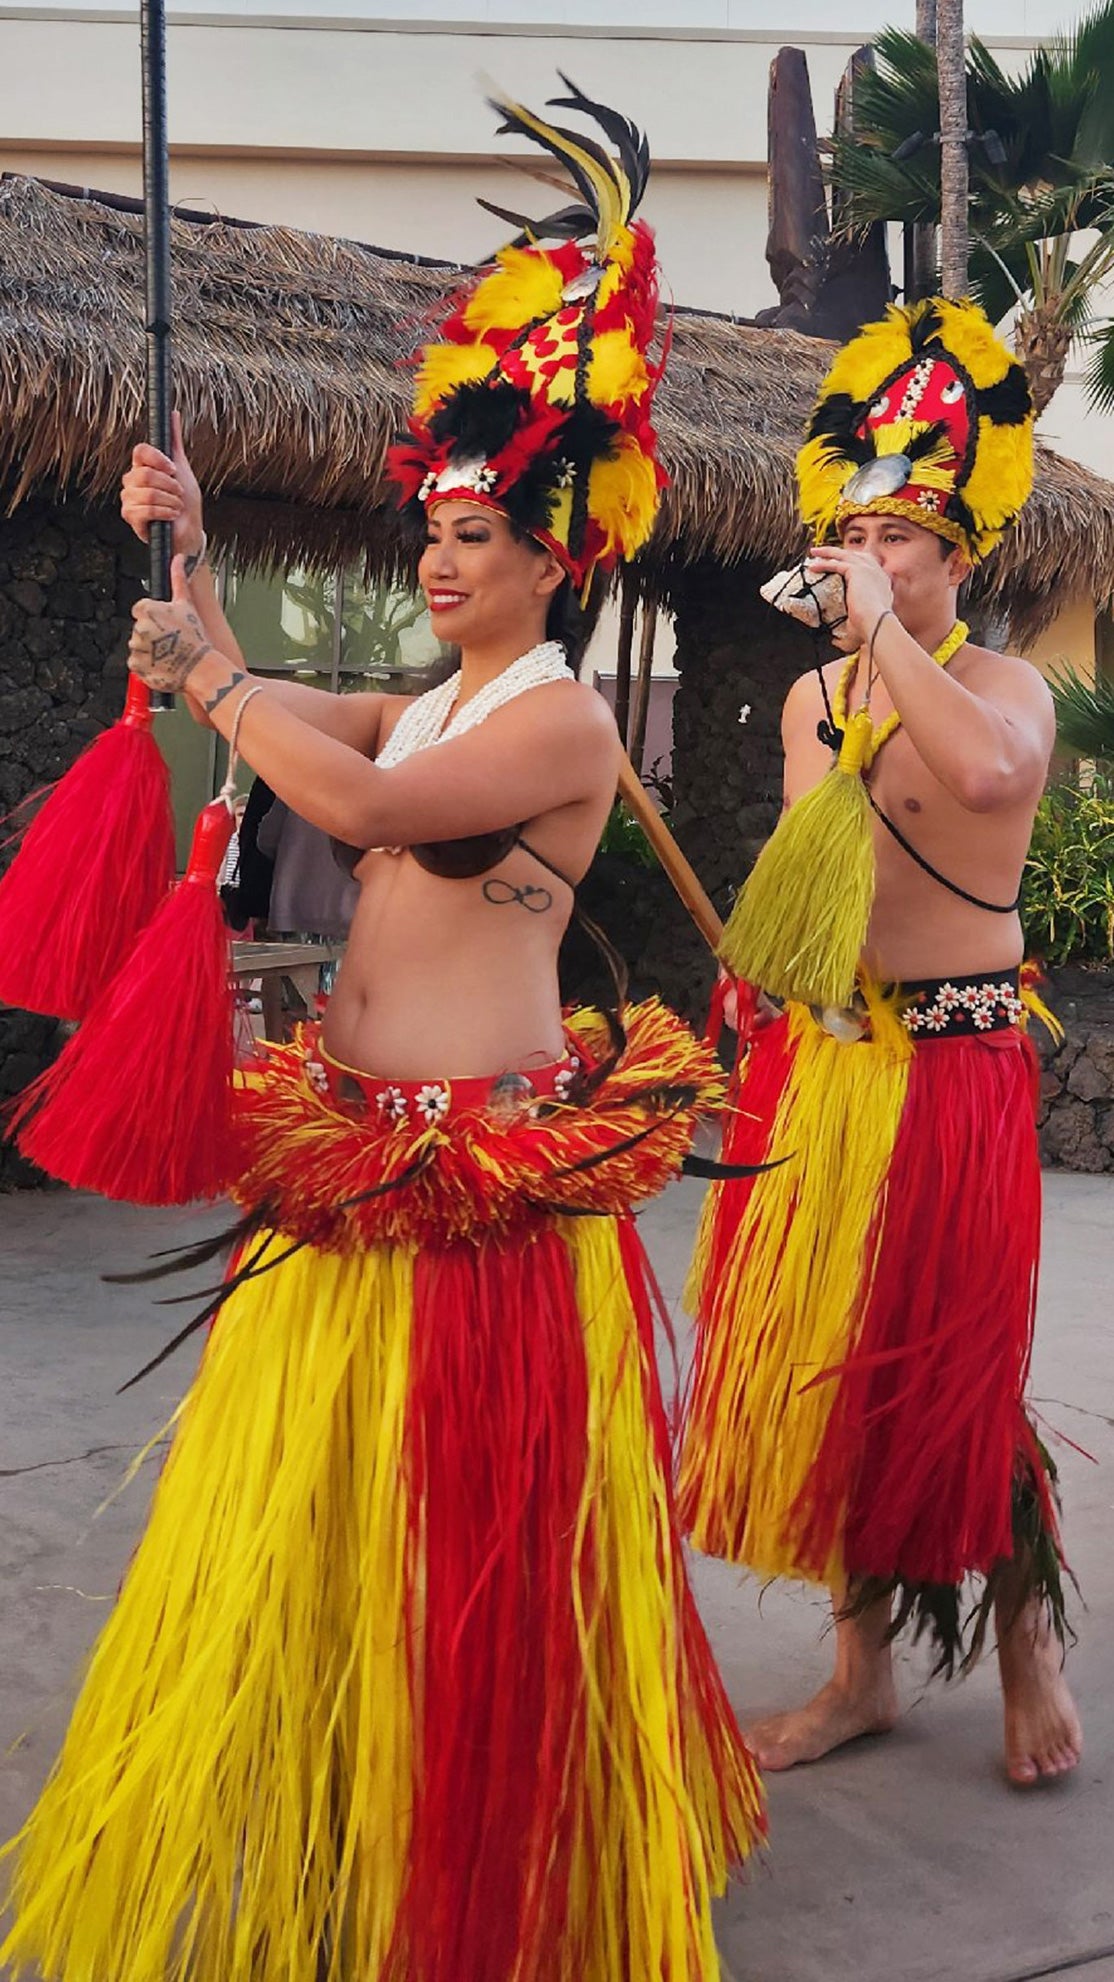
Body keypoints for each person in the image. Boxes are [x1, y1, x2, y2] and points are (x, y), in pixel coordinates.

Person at [0, 83, 762, 1982]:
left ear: (554, 554)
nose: (442, 559)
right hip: (351, 1146)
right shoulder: (425, 695)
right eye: (433, 529)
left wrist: (228, 680)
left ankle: (486, 1846)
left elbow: (345, 809)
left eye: (480, 533)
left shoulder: (561, 726)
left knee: (466, 1543)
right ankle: (367, 1795)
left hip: (476, 1180)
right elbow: (299, 716)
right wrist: (183, 561)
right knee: (342, 1536)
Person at [677, 297, 1082, 1789]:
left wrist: (881, 639)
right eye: (851, 531)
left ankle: (1025, 1645)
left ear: (953, 559)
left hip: (956, 1070)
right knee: (826, 1366)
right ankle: (861, 1673)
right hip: (824, 1065)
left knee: (958, 1367)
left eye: (897, 538)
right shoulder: (809, 699)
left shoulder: (1000, 687)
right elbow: (803, 868)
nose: (867, 553)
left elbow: (981, 778)